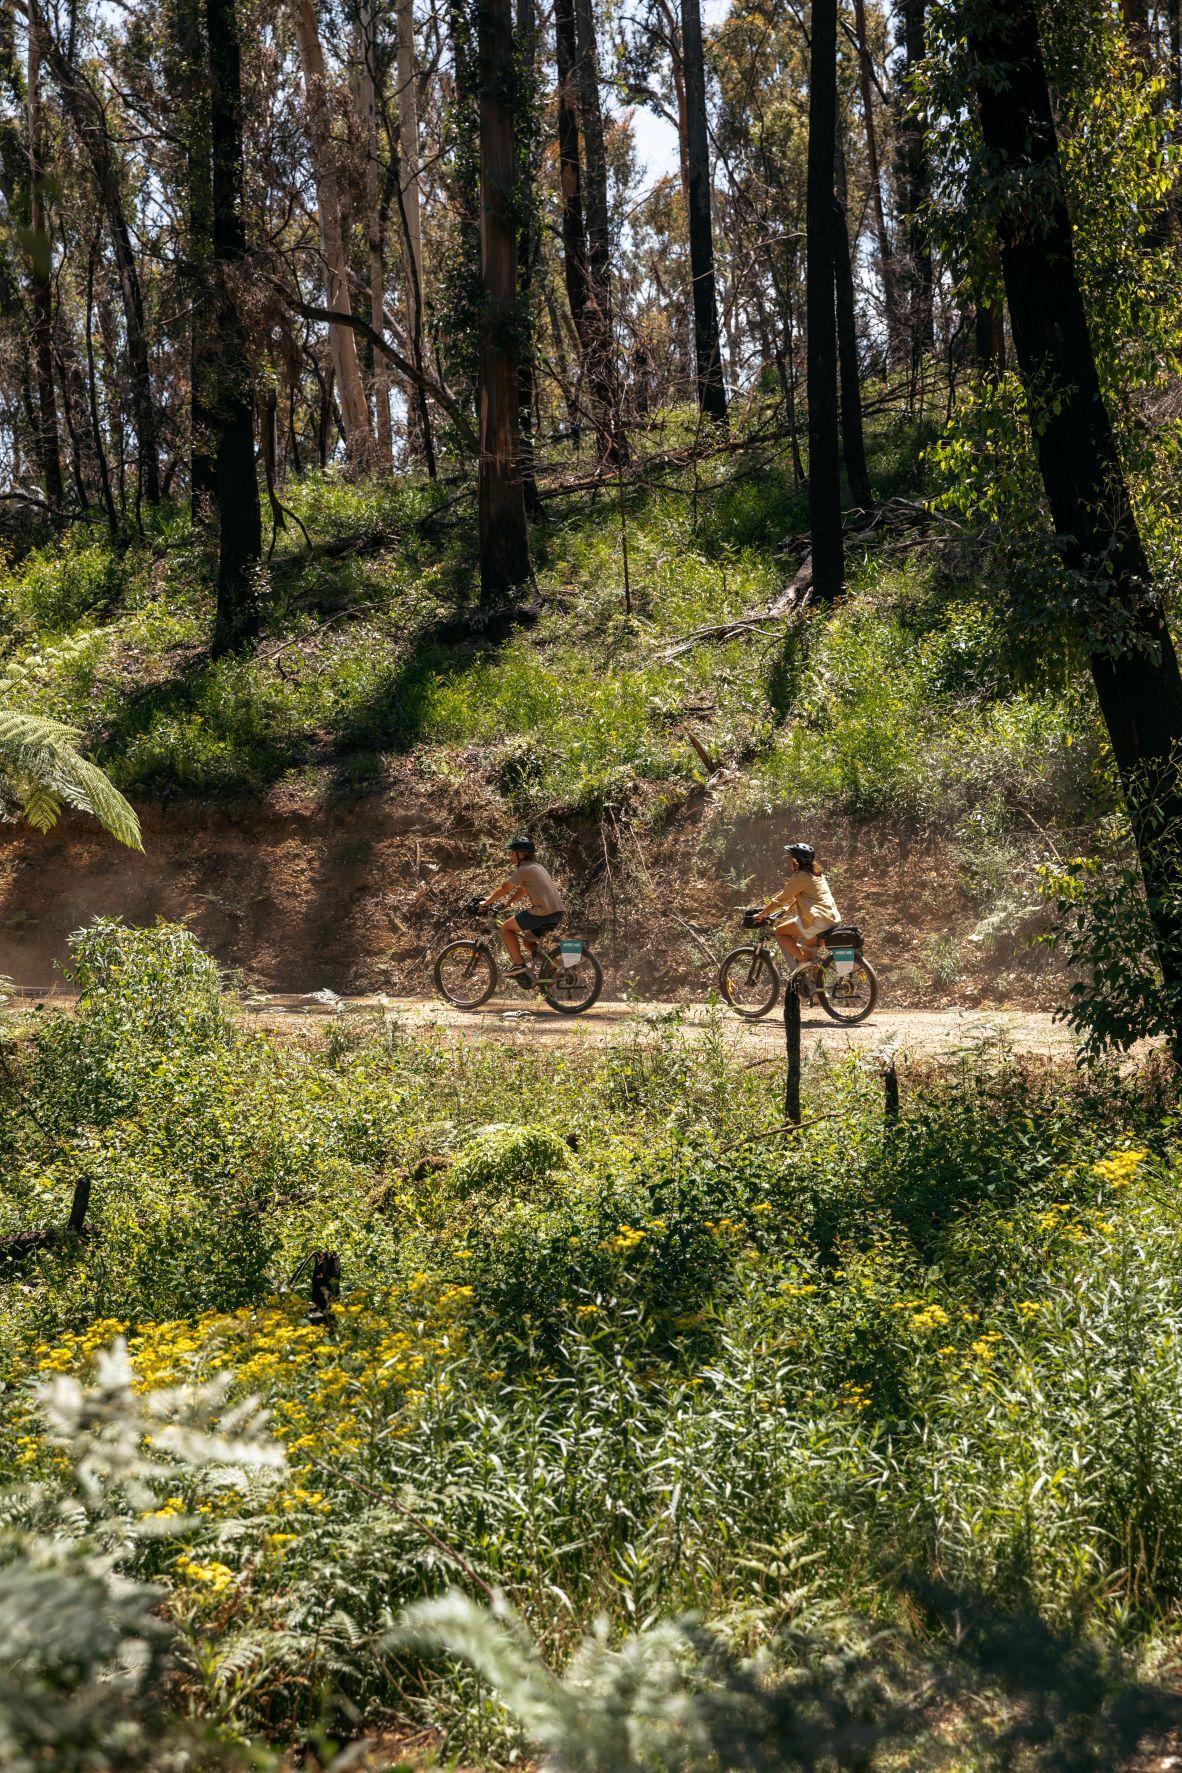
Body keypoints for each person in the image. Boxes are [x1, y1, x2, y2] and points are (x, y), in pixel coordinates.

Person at [478, 837, 565, 985]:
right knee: (528, 940)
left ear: (521, 854)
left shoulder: (524, 869)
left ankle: (519, 964)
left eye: (513, 853)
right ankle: (553, 966)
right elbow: (524, 889)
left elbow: (505, 888)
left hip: (543, 912)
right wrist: (508, 903)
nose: (511, 856)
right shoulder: (537, 867)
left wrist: (487, 902)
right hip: (557, 913)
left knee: (506, 928)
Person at [755, 842, 840, 993]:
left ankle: (805, 962)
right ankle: (817, 992)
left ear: (796, 860)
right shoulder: (816, 874)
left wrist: (761, 914)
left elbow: (780, 899)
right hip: (832, 918)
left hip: (818, 920)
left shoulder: (800, 876)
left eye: (790, 857)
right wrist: (790, 908)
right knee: (809, 953)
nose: (789, 860)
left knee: (780, 932)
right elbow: (808, 895)